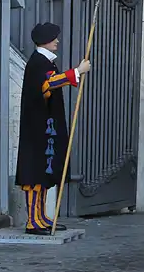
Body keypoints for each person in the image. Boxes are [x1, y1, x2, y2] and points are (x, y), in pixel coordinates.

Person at [15, 22, 90, 236]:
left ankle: (41, 216)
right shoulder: (37, 62)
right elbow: (49, 83)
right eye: (54, 37)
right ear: (45, 40)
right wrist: (76, 72)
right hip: (37, 128)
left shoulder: (46, 61)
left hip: (47, 126)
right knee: (35, 174)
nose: (57, 41)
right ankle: (33, 221)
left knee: (45, 173)